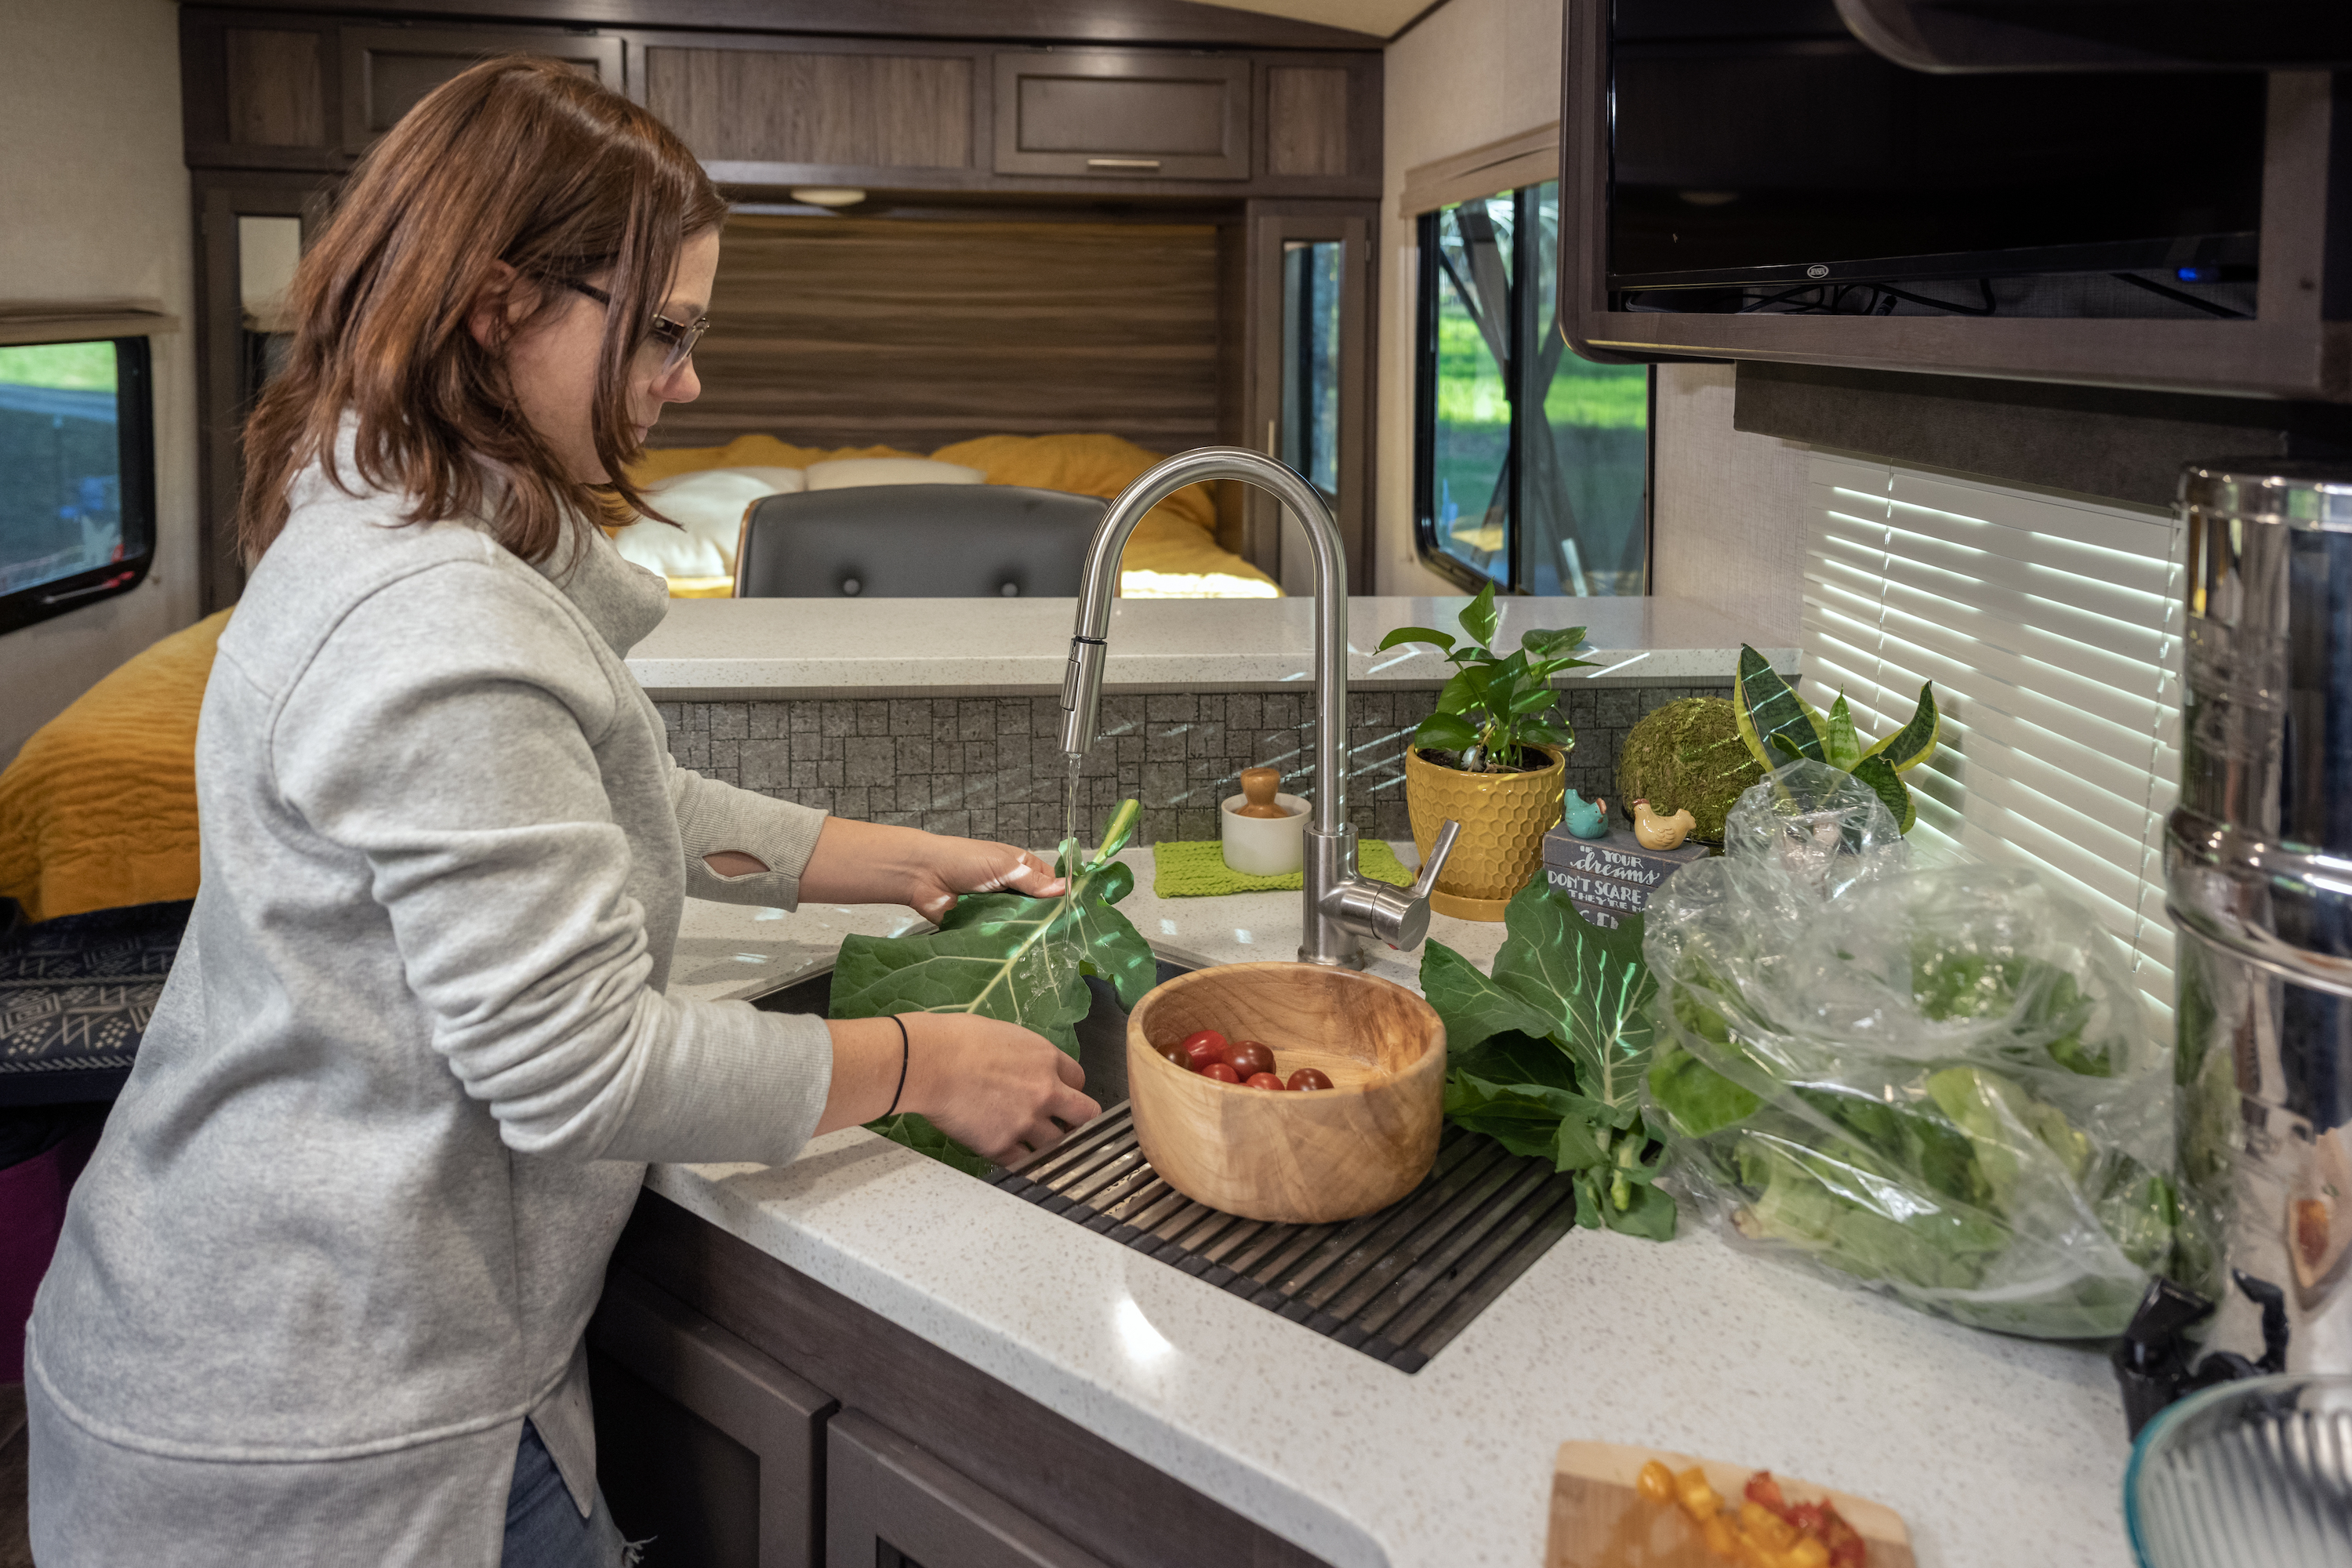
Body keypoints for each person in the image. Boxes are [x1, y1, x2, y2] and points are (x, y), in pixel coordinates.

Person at [24, 57, 1098, 1568]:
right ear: (496, 305)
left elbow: (607, 785)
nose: (689, 380)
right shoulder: (436, 619)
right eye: (663, 330)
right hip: (309, 1420)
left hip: (281, 1323)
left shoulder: (388, 497)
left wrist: (888, 861)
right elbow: (580, 1069)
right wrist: (930, 1060)